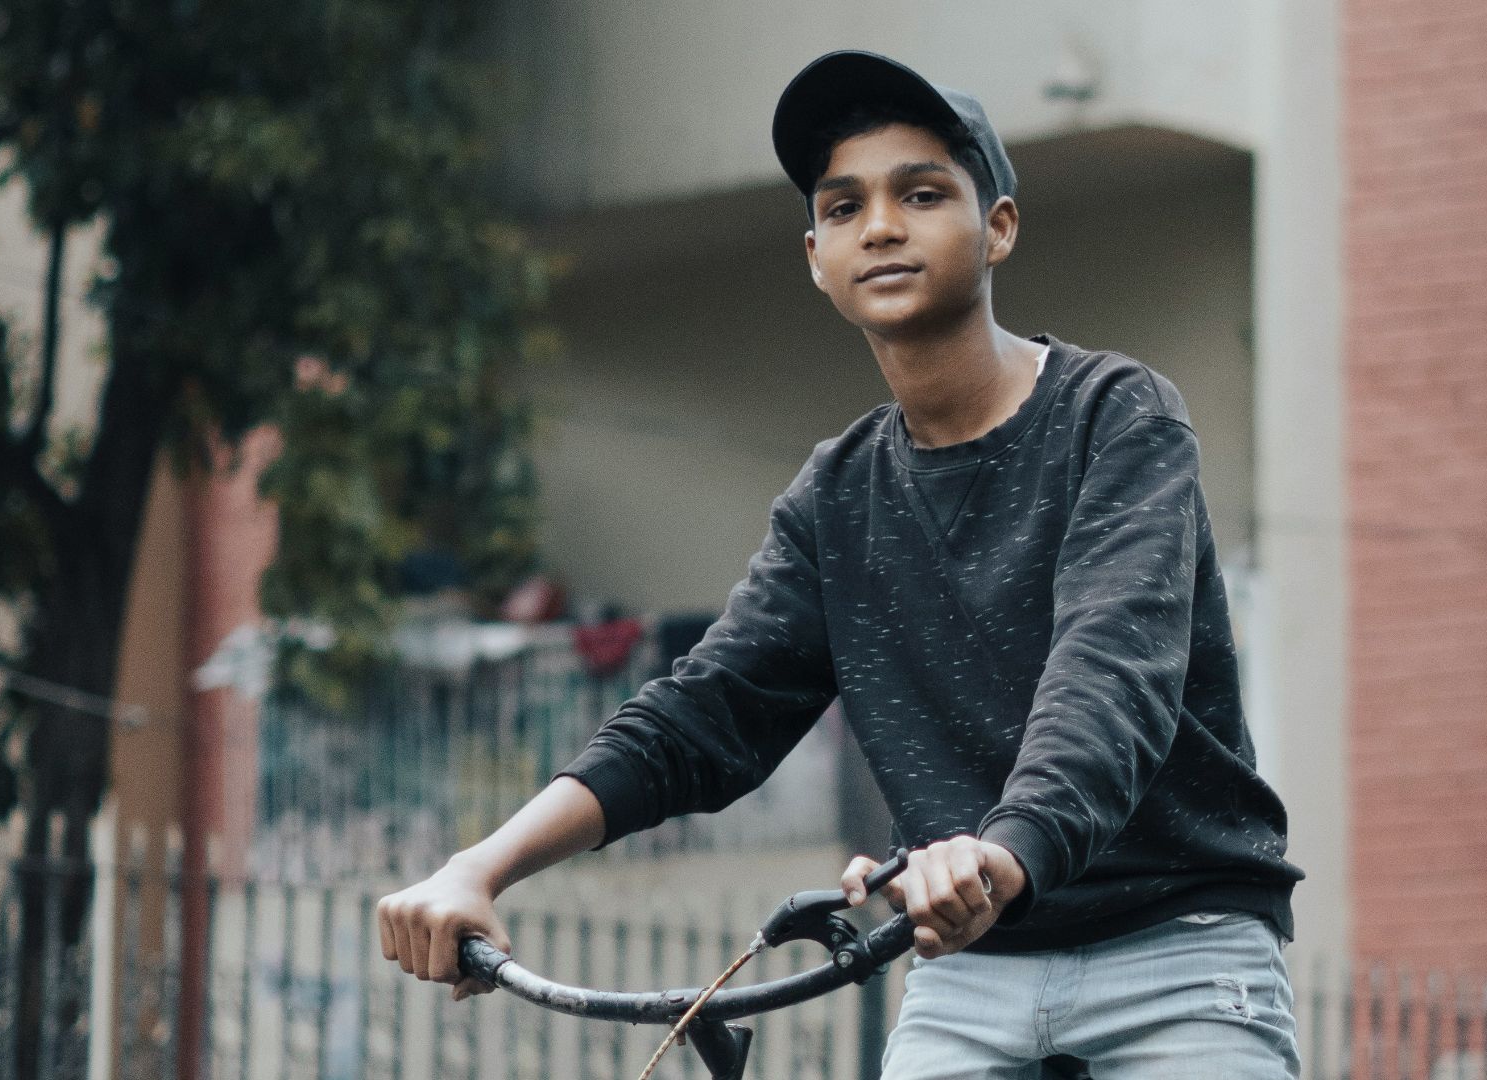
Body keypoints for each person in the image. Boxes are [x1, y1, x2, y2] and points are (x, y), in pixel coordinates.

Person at [376, 49, 1304, 1079]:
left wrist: (1001, 851)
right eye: (846, 204)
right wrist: (479, 867)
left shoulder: (1114, 417)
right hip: (970, 967)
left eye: (922, 193)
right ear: (817, 254)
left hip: (1175, 948)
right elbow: (704, 713)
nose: (883, 225)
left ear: (997, 226)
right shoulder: (839, 496)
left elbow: (1110, 673)